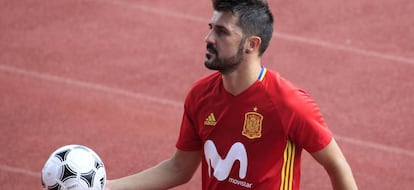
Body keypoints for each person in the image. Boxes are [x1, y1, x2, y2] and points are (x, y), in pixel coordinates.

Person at [106, 0, 358, 189]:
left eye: (221, 32)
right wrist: (104, 186)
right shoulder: (200, 95)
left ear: (251, 44)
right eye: (210, 28)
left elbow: (336, 165)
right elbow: (179, 168)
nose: (208, 38)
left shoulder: (288, 103)